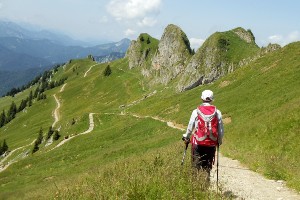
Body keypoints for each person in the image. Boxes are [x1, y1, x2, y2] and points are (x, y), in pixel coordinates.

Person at [182, 89, 224, 180]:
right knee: (207, 167)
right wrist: (219, 141)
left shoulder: (196, 111)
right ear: (212, 99)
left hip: (198, 143)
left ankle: (195, 186)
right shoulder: (217, 112)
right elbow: (220, 129)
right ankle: (205, 185)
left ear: (202, 99)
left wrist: (187, 136)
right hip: (211, 144)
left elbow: (190, 126)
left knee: (195, 166)